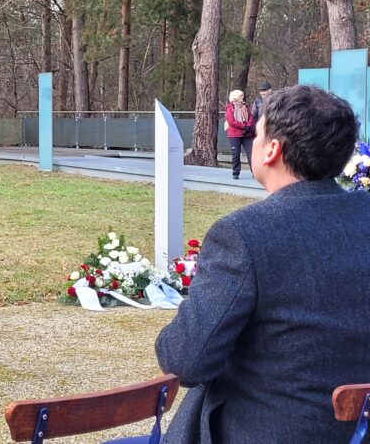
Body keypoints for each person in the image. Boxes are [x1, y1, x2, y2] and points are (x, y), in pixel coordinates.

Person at [156, 85, 370, 443]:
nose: (253, 142)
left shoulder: (244, 234)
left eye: (256, 134)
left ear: (272, 149)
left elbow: (184, 360)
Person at [224, 89, 254, 179]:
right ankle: (236, 172)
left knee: (251, 153)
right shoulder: (229, 108)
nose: (242, 98)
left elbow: (250, 117)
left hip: (246, 134)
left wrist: (248, 126)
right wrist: (243, 126)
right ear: (236, 97)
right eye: (241, 96)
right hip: (234, 135)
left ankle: (255, 172)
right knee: (236, 154)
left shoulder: (245, 107)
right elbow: (231, 121)